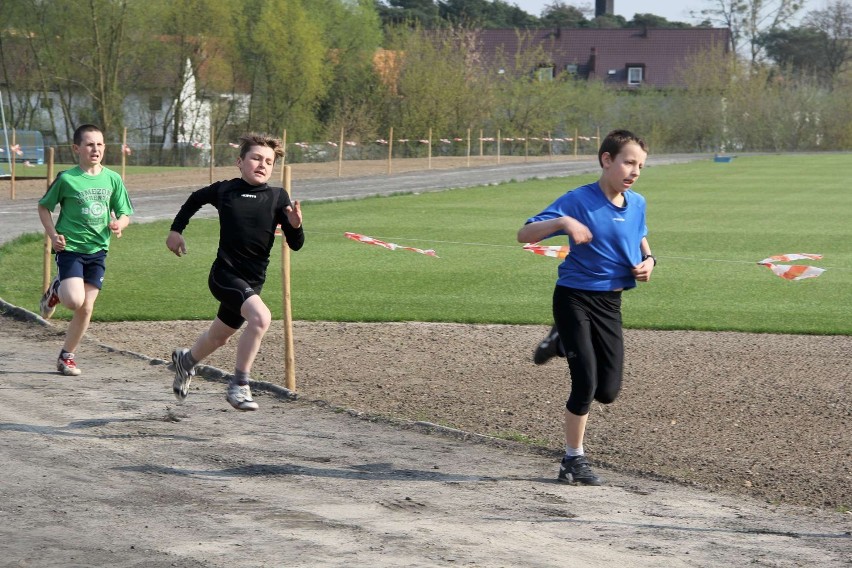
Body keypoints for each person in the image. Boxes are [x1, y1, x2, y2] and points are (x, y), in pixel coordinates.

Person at [517, 129, 656, 486]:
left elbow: (639, 234)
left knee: (607, 391)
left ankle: (560, 342)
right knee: (585, 383)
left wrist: (650, 259)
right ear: (606, 160)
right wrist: (564, 222)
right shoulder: (578, 200)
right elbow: (524, 234)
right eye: (628, 161)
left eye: (640, 165)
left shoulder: (637, 202)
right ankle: (572, 460)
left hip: (610, 303)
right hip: (574, 297)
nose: (635, 171)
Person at [166, 133, 304, 411]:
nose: (262, 164)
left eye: (269, 161)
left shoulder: (278, 197)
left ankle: (186, 361)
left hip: (253, 282)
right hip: (224, 276)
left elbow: (296, 245)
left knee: (220, 337)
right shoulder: (225, 190)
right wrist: (176, 230)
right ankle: (239, 385)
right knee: (261, 317)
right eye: (256, 158)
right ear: (240, 161)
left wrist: (295, 225)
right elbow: (195, 199)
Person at [37, 124, 134, 376]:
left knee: (86, 308)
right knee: (73, 301)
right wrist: (53, 235)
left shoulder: (113, 178)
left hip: (98, 251)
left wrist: (118, 224)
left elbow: (125, 213)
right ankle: (56, 289)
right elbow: (44, 207)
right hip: (70, 249)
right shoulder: (67, 179)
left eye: (100, 144)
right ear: (76, 148)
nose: (95, 149)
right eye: (90, 144)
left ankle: (66, 356)